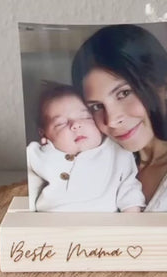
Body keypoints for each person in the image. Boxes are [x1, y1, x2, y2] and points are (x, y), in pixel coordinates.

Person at [71, 24, 167, 211]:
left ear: (163, 86)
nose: (111, 120)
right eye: (96, 106)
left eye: (124, 93)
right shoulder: (99, 167)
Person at [26, 83, 145, 212]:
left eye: (86, 117)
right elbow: (26, 192)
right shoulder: (38, 154)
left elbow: (129, 189)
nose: (76, 125)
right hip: (48, 226)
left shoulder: (118, 153)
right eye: (61, 123)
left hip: (103, 226)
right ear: (44, 133)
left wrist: (130, 216)